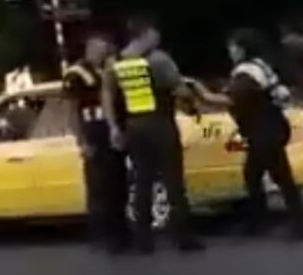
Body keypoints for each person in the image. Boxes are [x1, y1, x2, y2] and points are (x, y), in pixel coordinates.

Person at [189, 29, 303, 241]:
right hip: (270, 127)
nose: (230, 51)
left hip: (264, 130)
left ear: (243, 49)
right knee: (255, 175)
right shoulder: (259, 66)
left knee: (278, 177)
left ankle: (295, 226)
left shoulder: (246, 73)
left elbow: (229, 99)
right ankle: (261, 222)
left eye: (233, 47)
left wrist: (198, 90)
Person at [102, 16, 203, 254]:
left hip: (134, 126)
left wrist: (114, 127)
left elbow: (107, 95)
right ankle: (183, 237)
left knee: (142, 182)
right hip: (161, 123)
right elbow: (180, 89)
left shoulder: (114, 63)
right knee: (173, 181)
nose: (158, 37)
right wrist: (192, 98)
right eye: (155, 33)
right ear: (146, 33)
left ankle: (143, 240)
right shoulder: (159, 59)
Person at [63, 34, 129, 253]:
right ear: (90, 49)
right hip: (93, 132)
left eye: (106, 50)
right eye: (101, 49)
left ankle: (121, 232)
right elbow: (71, 112)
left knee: (118, 183)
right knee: (99, 187)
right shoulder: (76, 73)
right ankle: (102, 236)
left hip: (111, 132)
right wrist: (81, 142)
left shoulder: (107, 70)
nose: (105, 53)